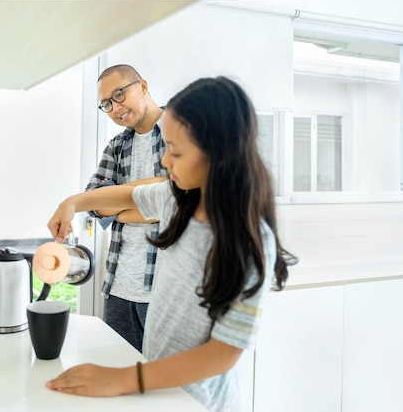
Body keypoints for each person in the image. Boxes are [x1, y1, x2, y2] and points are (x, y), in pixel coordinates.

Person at [45, 76, 296, 411]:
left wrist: (122, 379)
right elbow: (124, 193)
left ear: (217, 153)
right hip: (162, 393)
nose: (165, 162)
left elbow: (222, 354)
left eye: (175, 151)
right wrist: (73, 202)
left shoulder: (247, 240)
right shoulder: (177, 199)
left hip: (200, 402)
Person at [85, 64, 168, 352]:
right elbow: (93, 202)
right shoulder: (116, 146)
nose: (114, 107)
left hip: (165, 291)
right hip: (118, 287)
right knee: (120, 378)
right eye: (106, 104)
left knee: (166, 387)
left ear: (142, 86)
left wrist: (119, 208)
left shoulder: (181, 129)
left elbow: (179, 198)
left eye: (119, 94)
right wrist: (150, 203)